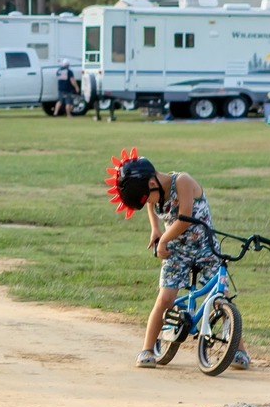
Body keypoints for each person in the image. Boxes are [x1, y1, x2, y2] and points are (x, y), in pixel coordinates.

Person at [106, 149, 251, 371]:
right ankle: (147, 349)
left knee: (222, 299)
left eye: (148, 196)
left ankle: (239, 350)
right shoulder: (154, 190)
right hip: (177, 253)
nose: (151, 202)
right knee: (165, 298)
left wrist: (163, 239)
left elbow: (185, 218)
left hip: (206, 248)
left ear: (152, 183)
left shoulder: (182, 181)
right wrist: (155, 229)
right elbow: (150, 204)